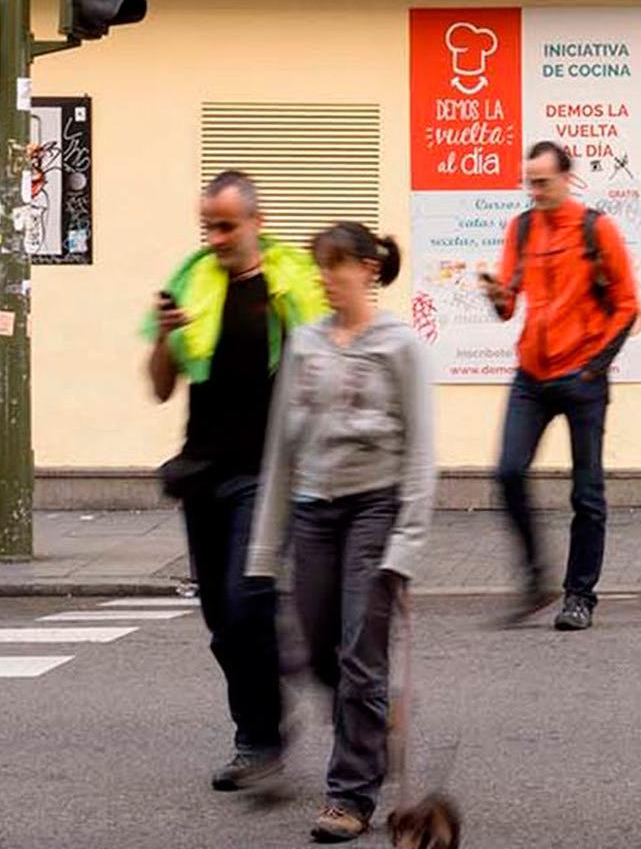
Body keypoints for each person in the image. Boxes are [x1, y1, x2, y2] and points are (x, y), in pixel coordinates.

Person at [247, 223, 436, 842]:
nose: (326, 278)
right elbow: (281, 448)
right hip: (311, 511)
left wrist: (407, 543)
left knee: (360, 653)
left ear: (367, 270)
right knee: (317, 648)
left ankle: (349, 794)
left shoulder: (400, 345)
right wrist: (264, 549)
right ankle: (371, 726)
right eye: (319, 267)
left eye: (336, 266)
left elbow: (420, 452)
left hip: (373, 511)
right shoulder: (304, 343)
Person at [144, 170, 327, 792]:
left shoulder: (290, 286)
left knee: (249, 600)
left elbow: (324, 368)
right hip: (202, 472)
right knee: (223, 619)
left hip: (266, 474)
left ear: (256, 221)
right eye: (208, 226)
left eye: (226, 225)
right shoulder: (193, 284)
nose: (216, 238)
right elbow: (161, 386)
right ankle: (262, 728)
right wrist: (166, 339)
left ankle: (258, 737)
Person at [485, 142, 640, 631]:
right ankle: (536, 579)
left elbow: (628, 305)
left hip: (582, 376)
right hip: (532, 373)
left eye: (543, 182)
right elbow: (509, 305)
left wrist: (595, 367)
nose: (535, 191)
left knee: (587, 494)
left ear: (566, 179)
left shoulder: (597, 229)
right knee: (508, 472)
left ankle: (579, 596)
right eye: (529, 182)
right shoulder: (523, 227)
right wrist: (497, 295)